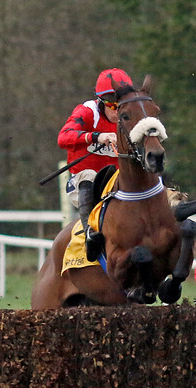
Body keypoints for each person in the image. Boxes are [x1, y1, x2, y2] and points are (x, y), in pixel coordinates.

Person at [58, 68, 132, 255]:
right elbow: (63, 137)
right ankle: (90, 233)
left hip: (117, 185)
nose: (117, 111)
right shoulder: (88, 112)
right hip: (83, 184)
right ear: (101, 102)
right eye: (113, 106)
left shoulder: (131, 118)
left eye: (121, 105)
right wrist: (95, 137)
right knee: (90, 175)